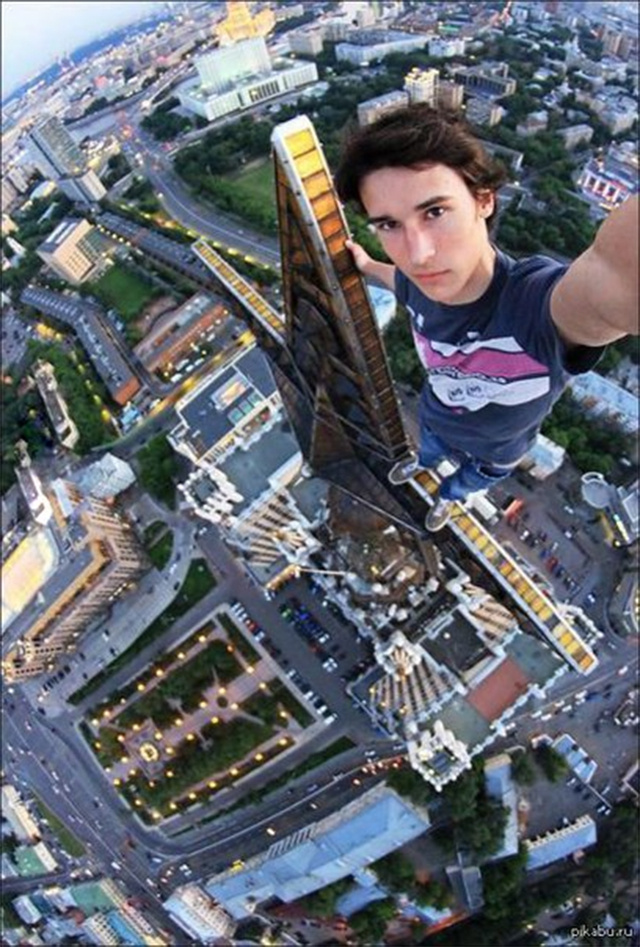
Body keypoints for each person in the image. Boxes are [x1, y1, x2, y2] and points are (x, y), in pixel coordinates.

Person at [335, 105, 639, 532]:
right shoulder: (417, 282)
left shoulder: (533, 306)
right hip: (436, 419)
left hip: (495, 453)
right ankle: (421, 465)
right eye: (388, 224)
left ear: (484, 200)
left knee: (464, 484)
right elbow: (399, 279)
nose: (418, 254)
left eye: (435, 212)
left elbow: (620, 276)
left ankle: (447, 498)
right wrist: (366, 265)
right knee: (427, 452)